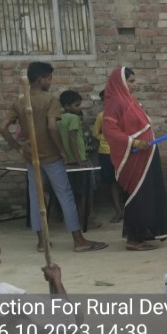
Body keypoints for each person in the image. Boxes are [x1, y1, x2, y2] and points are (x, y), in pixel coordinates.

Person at [0, 62, 107, 253]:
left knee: (36, 198)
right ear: (41, 79)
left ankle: (42, 242)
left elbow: (2, 127)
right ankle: (78, 241)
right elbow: (51, 127)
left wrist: (17, 147)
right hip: (51, 157)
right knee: (65, 196)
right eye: (49, 78)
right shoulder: (50, 101)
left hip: (31, 157)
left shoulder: (20, 102)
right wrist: (61, 150)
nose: (50, 82)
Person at [102, 66, 167, 251]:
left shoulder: (130, 101)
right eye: (131, 81)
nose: (135, 84)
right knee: (138, 196)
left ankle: (145, 234)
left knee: (148, 194)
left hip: (147, 154)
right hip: (133, 157)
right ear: (121, 82)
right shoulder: (115, 102)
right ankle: (133, 239)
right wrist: (134, 142)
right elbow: (109, 130)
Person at [58, 90, 100, 230]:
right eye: (77, 105)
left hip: (66, 162)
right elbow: (72, 140)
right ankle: (85, 221)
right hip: (79, 161)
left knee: (73, 193)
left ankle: (75, 220)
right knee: (85, 192)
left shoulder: (59, 119)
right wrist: (79, 160)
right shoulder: (74, 118)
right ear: (66, 105)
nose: (79, 108)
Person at [92, 90, 124, 223]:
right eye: (104, 100)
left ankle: (125, 210)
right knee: (113, 182)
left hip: (122, 152)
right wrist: (106, 138)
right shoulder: (102, 116)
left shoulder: (123, 114)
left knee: (123, 182)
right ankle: (118, 211)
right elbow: (95, 133)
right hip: (107, 153)